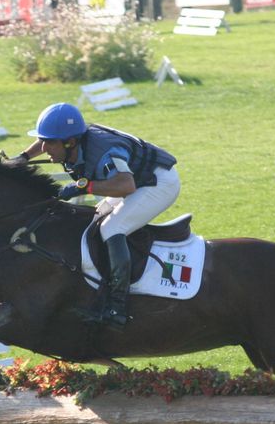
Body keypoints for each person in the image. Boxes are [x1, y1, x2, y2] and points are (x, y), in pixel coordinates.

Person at [11, 103, 180, 327]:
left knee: (111, 228)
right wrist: (23, 157)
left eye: (49, 143)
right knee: (95, 219)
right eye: (42, 141)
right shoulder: (70, 139)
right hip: (138, 180)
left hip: (158, 183)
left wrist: (86, 187)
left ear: (70, 142)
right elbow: (47, 139)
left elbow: (126, 186)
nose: (44, 147)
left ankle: (117, 307)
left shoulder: (104, 152)